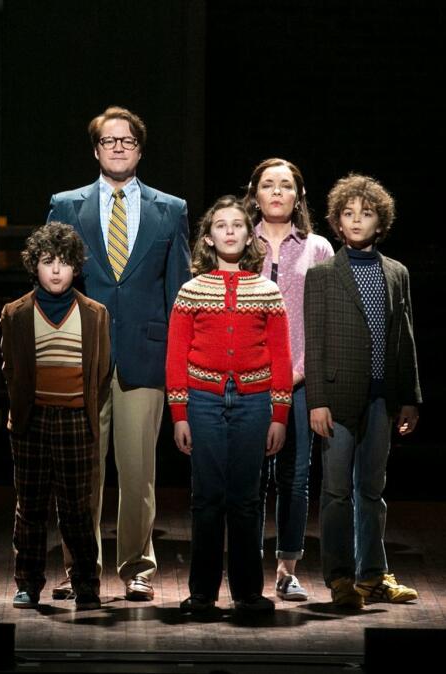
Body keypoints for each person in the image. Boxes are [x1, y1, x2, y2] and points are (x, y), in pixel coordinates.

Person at [45, 106, 190, 602]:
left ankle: (137, 568)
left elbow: (179, 294)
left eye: (127, 140)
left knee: (137, 470)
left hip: (145, 356)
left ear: (140, 148)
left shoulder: (171, 208)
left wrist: (178, 365)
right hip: (83, 355)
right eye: (109, 141)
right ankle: (79, 566)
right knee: (82, 469)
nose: (118, 147)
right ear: (96, 149)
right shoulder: (66, 205)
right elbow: (50, 281)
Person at [167, 196, 291, 616]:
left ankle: (248, 593)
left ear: (248, 233)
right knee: (206, 498)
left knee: (246, 499)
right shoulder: (191, 290)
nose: (231, 231)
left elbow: (281, 357)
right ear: (208, 237)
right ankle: (202, 593)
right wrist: (179, 414)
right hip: (202, 401)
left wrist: (279, 415)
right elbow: (176, 356)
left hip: (254, 403)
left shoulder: (267, 291)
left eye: (238, 224)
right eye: (221, 225)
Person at [305, 174, 421, 608]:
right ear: (336, 222)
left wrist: (409, 397)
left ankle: (373, 574)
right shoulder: (323, 275)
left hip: (381, 398)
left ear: (380, 222)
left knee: (371, 490)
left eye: (366, 213)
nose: (357, 220)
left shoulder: (396, 273)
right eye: (349, 214)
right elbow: (313, 342)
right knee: (336, 491)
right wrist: (316, 400)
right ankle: (340, 577)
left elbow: (403, 337)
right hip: (337, 398)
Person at [0, 222, 111, 610]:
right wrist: (21, 411)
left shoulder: (95, 314)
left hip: (76, 421)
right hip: (32, 422)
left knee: (77, 508)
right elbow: (11, 367)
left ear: (76, 267)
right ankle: (28, 582)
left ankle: (85, 584)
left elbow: (101, 371)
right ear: (35, 266)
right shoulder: (16, 313)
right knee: (30, 507)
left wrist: (84, 410)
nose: (57, 270)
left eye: (64, 262)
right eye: (48, 262)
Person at [244, 158, 333, 601]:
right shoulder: (240, 241)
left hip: (300, 378)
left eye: (285, 186)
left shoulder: (317, 247)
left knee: (295, 477)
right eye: (268, 185)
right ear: (255, 193)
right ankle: (245, 566)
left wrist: (305, 371)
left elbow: (327, 318)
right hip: (249, 378)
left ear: (298, 196)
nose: (276, 192)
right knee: (251, 475)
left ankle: (286, 567)